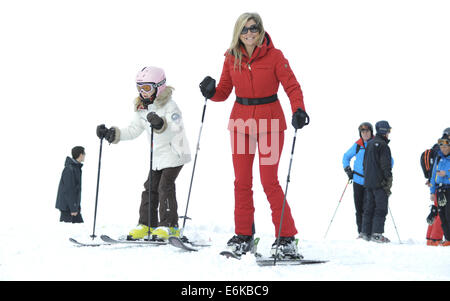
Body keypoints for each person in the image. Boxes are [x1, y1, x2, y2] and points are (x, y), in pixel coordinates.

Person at [199, 12, 309, 258]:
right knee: (241, 182)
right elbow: (224, 91)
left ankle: (286, 237)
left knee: (269, 181)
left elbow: (292, 85)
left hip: (269, 123)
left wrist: (298, 109)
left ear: (260, 30)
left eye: (254, 28)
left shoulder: (275, 56)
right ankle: (244, 236)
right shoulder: (231, 57)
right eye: (245, 29)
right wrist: (210, 91)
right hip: (240, 124)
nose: (249, 33)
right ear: (238, 32)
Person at [97, 66, 191, 240]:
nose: (143, 92)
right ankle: (147, 224)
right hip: (157, 157)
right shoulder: (142, 108)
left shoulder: (170, 106)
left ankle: (170, 226)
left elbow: (176, 129)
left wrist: (160, 124)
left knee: (165, 186)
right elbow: (133, 130)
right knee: (150, 188)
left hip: (175, 152)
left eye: (147, 88)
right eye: (139, 88)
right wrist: (113, 134)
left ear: (159, 86)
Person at [361, 121, 393, 243]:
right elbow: (386, 166)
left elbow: (364, 164)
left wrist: (367, 178)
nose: (389, 134)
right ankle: (376, 234)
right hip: (380, 184)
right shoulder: (383, 146)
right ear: (384, 131)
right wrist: (388, 181)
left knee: (369, 208)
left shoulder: (369, 144)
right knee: (380, 208)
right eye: (388, 131)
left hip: (368, 182)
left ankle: (365, 233)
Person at [342, 122, 374, 238]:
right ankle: (361, 232)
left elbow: (390, 161)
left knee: (368, 208)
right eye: (363, 132)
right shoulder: (358, 145)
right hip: (357, 181)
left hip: (371, 182)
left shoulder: (376, 144)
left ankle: (368, 232)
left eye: (367, 131)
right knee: (359, 207)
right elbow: (346, 156)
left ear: (371, 132)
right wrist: (347, 170)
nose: (365, 134)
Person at [420, 134, 443, 246]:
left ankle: (430, 238)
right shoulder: (443, 154)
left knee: (436, 211)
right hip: (443, 187)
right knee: (443, 213)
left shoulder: (436, 150)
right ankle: (436, 239)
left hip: (435, 187)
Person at [429, 129, 450, 246]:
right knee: (442, 215)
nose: (443, 148)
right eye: (441, 146)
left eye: (446, 146)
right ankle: (448, 238)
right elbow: (433, 176)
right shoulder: (438, 158)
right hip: (440, 190)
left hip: (449, 189)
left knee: (449, 214)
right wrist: (432, 192)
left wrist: (446, 173)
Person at [55, 146, 85, 223]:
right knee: (69, 231)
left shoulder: (75, 168)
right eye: (84, 153)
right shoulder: (69, 169)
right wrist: (73, 208)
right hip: (68, 207)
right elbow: (69, 190)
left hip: (72, 206)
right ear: (80, 155)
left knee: (78, 230)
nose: (85, 155)